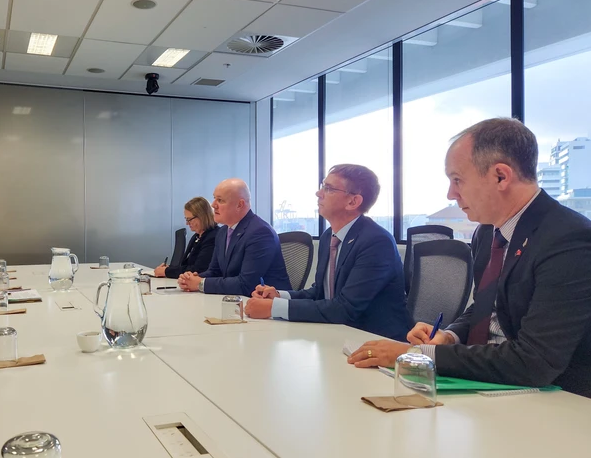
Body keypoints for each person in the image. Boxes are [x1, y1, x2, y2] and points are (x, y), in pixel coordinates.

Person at [348, 118, 591, 397]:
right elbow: (485, 309)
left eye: (457, 179)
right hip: (490, 387)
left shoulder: (568, 239)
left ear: (500, 176)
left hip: (558, 400)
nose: (451, 193)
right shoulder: (487, 233)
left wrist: (418, 354)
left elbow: (534, 361)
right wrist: (448, 336)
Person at [246, 164, 411, 341]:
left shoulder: (376, 242)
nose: (319, 193)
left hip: (375, 340)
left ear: (353, 201)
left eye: (329, 188)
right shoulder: (328, 236)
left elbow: (345, 309)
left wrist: (273, 308)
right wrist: (279, 295)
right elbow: (320, 292)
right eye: (322, 186)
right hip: (338, 335)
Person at [178, 178, 290, 296]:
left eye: (220, 200)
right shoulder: (223, 232)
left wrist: (201, 283)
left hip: (268, 306)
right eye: (214, 198)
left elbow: (246, 284)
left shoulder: (260, 232)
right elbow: (215, 271)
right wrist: (191, 279)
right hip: (237, 301)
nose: (213, 205)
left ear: (239, 205)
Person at [154, 197, 218, 279]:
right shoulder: (197, 236)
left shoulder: (213, 237)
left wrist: (166, 271)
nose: (187, 223)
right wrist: (170, 268)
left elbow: (198, 269)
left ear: (202, 216)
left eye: (189, 219)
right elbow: (186, 265)